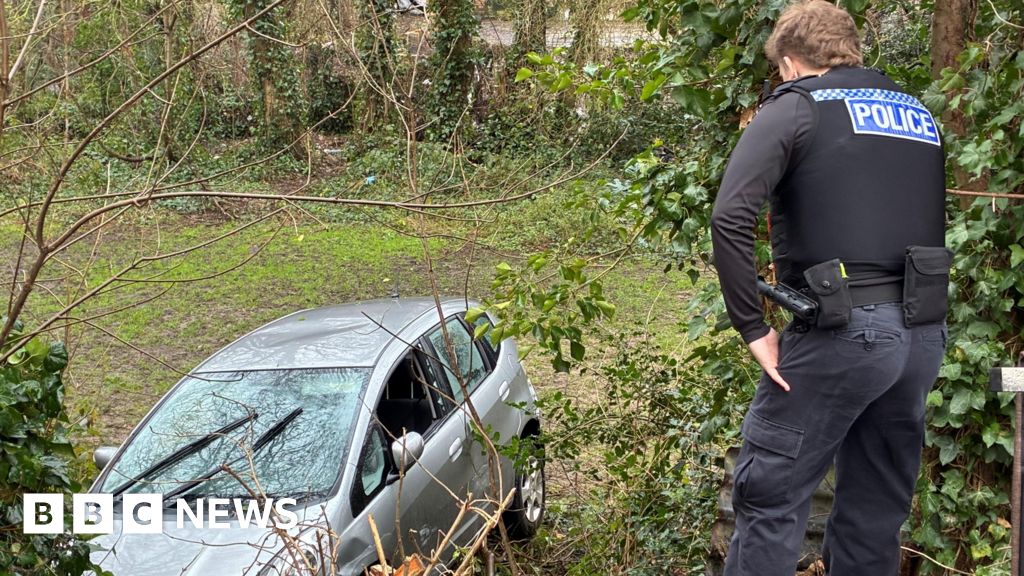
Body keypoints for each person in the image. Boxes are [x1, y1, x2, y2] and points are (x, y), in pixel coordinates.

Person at [709, 1, 950, 575]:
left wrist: (752, 327)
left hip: (843, 332)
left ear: (791, 62)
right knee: (875, 513)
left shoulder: (797, 107)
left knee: (770, 497)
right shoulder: (917, 112)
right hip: (921, 335)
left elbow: (730, 216)